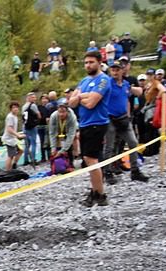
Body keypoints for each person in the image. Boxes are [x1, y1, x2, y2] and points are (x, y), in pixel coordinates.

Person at [69, 51, 112, 207]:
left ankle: (100, 194)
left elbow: (91, 103)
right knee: (88, 159)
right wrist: (82, 96)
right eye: (86, 62)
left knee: (91, 159)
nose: (88, 65)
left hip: (97, 122)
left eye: (91, 62)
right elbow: (71, 102)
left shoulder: (103, 80)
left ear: (99, 62)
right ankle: (95, 191)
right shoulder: (84, 81)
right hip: (84, 123)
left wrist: (80, 97)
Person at [103, 62, 148, 184]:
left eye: (117, 70)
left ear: (122, 71)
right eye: (113, 70)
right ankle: (107, 172)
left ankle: (135, 171)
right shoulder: (107, 83)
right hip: (110, 118)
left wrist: (128, 115)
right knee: (109, 146)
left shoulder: (126, 84)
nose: (115, 72)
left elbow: (128, 98)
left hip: (123, 118)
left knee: (133, 142)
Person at [48, 99, 78, 170]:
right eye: (59, 112)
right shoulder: (53, 116)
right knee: (55, 149)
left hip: (68, 130)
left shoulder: (72, 117)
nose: (61, 114)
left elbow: (71, 135)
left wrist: (63, 150)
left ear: (67, 111)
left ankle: (70, 164)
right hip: (58, 130)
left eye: (63, 112)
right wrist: (53, 148)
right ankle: (56, 165)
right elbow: (52, 133)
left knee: (69, 146)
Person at [2, 102, 25, 170]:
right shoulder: (10, 117)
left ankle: (14, 164)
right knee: (11, 155)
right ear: (11, 109)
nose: (15, 109)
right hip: (9, 139)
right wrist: (18, 135)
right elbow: (9, 129)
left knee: (20, 150)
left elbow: (13, 129)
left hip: (13, 138)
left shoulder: (15, 117)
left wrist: (18, 134)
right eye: (13, 107)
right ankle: (8, 171)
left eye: (16, 107)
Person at [21, 93, 41, 166]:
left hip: (25, 126)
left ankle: (26, 160)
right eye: (33, 97)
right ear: (28, 98)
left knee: (27, 144)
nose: (34, 99)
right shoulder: (33, 105)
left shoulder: (23, 106)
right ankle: (33, 159)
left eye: (35, 97)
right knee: (33, 143)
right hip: (32, 127)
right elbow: (38, 115)